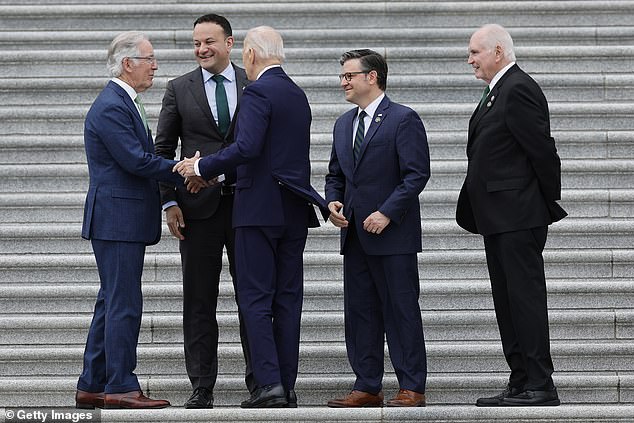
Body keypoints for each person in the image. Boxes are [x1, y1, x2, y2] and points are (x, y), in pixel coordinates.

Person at [173, 26, 329, 408]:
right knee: (288, 300)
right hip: (293, 211)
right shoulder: (296, 93)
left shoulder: (257, 91)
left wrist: (202, 166)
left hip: (258, 211)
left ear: (249, 55)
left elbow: (246, 147)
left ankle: (269, 385)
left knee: (256, 299)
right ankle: (286, 385)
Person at [75, 31, 200, 409]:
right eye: (149, 59)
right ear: (128, 64)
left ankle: (93, 384)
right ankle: (122, 386)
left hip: (120, 218)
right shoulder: (112, 105)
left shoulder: (122, 101)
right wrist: (185, 169)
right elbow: (136, 160)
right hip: (117, 219)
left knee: (110, 302)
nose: (155, 66)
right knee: (124, 303)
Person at [456, 24, 567, 407]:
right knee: (507, 301)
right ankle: (520, 380)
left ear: (498, 51)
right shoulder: (496, 92)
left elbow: (543, 151)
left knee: (524, 300)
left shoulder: (519, 88)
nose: (469, 59)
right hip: (498, 217)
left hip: (519, 216)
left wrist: (541, 204)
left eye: (474, 52)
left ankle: (540, 383)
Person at [154, 13, 254, 409]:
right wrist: (169, 199)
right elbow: (162, 151)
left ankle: (261, 383)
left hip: (247, 207)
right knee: (198, 301)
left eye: (209, 41)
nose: (201, 49)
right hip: (196, 212)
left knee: (253, 298)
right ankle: (201, 387)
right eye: (196, 43)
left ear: (230, 43)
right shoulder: (179, 88)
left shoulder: (255, 83)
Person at [324, 49, 430, 408]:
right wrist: (332, 202)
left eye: (349, 75)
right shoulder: (342, 124)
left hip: (393, 236)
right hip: (354, 236)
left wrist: (387, 212)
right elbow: (335, 175)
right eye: (342, 76)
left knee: (401, 310)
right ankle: (367, 385)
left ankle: (411, 385)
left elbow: (416, 174)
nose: (343, 82)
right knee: (360, 314)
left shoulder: (403, 119)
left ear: (372, 77)